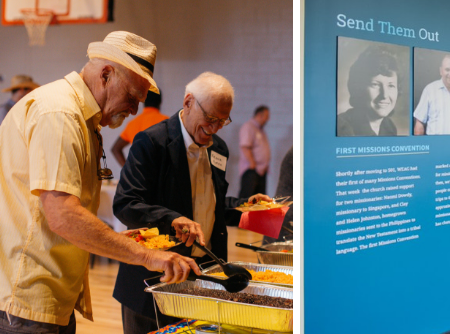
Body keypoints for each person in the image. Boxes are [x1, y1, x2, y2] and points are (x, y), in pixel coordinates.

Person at [0, 31, 200, 334]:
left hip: (49, 294)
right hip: (27, 296)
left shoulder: (81, 117)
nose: (134, 110)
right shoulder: (60, 113)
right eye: (132, 97)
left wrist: (130, 240)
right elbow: (63, 216)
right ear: (106, 74)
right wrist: (148, 256)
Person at [111, 72, 274, 334]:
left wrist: (247, 205)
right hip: (154, 281)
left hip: (201, 278)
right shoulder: (152, 142)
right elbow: (126, 203)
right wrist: (171, 218)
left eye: (223, 121)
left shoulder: (218, 148)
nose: (215, 128)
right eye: (210, 118)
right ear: (188, 102)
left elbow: (211, 205)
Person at [337, 47, 401, 136]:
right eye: (375, 84)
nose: (384, 95)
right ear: (359, 88)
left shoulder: (388, 126)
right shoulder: (341, 128)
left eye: (391, 85)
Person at [413, 54, 450, 135]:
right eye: (447, 70)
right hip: (434, 143)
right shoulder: (429, 90)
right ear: (441, 71)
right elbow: (419, 124)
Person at [112, 92, 167, 167]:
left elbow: (115, 149)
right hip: (160, 171)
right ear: (160, 101)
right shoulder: (166, 122)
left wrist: (128, 170)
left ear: (143, 101)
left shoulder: (132, 123)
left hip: (139, 171)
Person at [238, 105, 271, 198]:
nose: (267, 119)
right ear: (260, 115)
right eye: (266, 116)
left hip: (261, 170)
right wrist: (252, 163)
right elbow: (245, 146)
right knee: (247, 199)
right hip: (251, 170)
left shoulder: (260, 130)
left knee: (260, 200)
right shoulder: (249, 127)